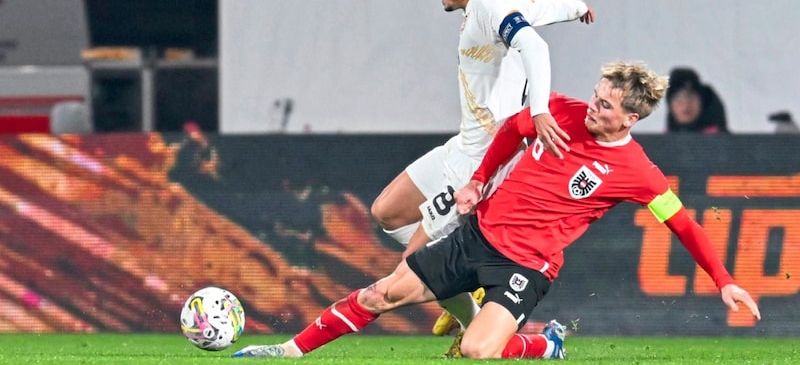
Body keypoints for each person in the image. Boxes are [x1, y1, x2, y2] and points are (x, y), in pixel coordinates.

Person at [232, 61, 761, 360]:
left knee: (476, 353)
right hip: (476, 237)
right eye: (596, 95)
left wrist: (723, 281)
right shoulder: (559, 111)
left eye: (604, 104)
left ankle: (540, 346)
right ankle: (288, 351)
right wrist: (480, 180)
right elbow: (512, 128)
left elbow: (683, 223)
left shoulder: (639, 171)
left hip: (527, 266)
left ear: (631, 119)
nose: (591, 105)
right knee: (380, 292)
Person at [369, 0, 594, 344]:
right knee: (386, 212)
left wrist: (539, 108)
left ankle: (501, 330)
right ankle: (462, 290)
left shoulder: (489, 4)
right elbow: (539, 9)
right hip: (460, 145)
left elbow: (534, 46)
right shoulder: (498, 1)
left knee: (412, 266)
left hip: (482, 160)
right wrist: (577, 7)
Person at [665, 67, 728, 133]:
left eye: (691, 98)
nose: (686, 105)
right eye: (679, 99)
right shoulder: (661, 142)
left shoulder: (721, 140)